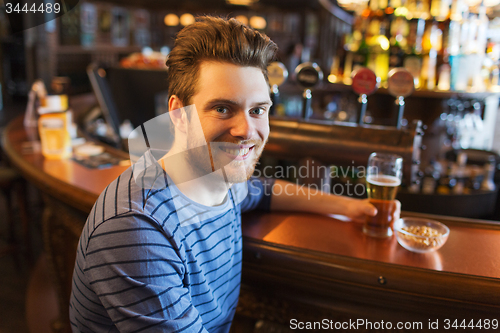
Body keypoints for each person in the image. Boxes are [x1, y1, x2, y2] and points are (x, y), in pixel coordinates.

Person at [69, 16, 382, 333]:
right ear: (179, 114)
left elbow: (265, 191)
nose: (246, 130)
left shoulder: (218, 178)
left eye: (257, 110)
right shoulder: (136, 228)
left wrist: (351, 207)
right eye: (222, 108)